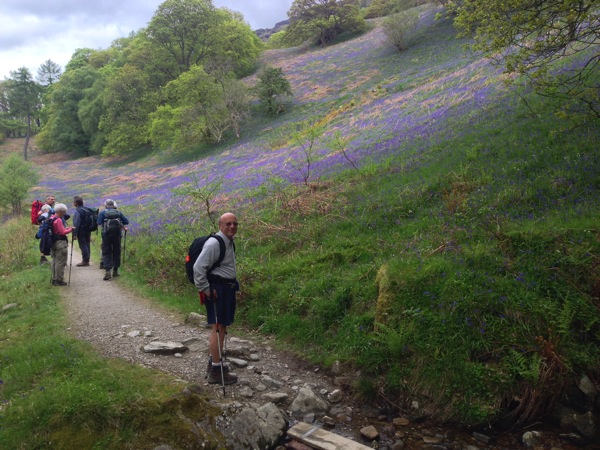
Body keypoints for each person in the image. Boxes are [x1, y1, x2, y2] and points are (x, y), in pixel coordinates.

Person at [193, 212, 240, 385]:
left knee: (221, 327)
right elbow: (198, 268)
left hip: (225, 288)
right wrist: (205, 288)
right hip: (217, 290)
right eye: (228, 224)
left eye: (235, 223)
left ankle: (214, 363)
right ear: (220, 225)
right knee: (218, 328)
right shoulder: (215, 243)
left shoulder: (228, 242)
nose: (232, 227)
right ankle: (215, 370)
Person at [98, 199, 129, 281]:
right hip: (117, 235)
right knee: (116, 252)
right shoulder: (118, 213)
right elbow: (126, 221)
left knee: (106, 252)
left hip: (106, 235)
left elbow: (99, 222)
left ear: (106, 205)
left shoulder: (102, 213)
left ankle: (108, 270)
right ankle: (115, 270)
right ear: (113, 205)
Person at [49, 203, 73, 286]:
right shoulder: (58, 219)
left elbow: (58, 230)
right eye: (64, 212)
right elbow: (62, 232)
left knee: (54, 261)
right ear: (60, 211)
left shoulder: (52, 218)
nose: (65, 213)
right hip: (60, 243)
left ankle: (54, 278)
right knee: (61, 261)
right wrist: (71, 229)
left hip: (53, 242)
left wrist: (66, 228)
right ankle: (59, 280)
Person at [72, 196, 92, 267]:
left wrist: (74, 234)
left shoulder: (78, 211)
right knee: (87, 244)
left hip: (81, 231)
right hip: (88, 230)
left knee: (83, 245)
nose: (73, 203)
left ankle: (85, 261)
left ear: (76, 203)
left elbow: (76, 223)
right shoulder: (87, 209)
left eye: (74, 202)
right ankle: (87, 260)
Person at [38, 196, 56, 264]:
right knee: (46, 242)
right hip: (45, 228)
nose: (53, 200)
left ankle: (44, 258)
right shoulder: (46, 207)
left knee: (45, 242)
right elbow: (40, 217)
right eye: (51, 199)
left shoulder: (51, 207)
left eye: (54, 199)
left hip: (46, 228)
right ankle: (44, 258)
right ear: (47, 200)